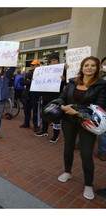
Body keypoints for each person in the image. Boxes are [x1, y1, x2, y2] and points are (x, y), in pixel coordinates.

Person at [53, 56, 106, 200]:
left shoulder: (101, 86)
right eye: (86, 65)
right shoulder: (71, 82)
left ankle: (88, 184)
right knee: (68, 148)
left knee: (86, 154)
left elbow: (99, 108)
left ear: (97, 68)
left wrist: (77, 112)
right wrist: (60, 105)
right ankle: (68, 171)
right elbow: (62, 97)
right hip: (68, 120)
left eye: (93, 65)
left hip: (87, 122)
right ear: (81, 67)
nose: (89, 67)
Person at [35, 53, 66, 143]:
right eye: (51, 61)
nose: (52, 62)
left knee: (55, 116)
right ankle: (44, 131)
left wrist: (63, 80)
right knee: (45, 114)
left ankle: (56, 135)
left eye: (54, 60)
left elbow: (68, 83)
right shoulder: (45, 70)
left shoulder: (63, 70)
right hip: (45, 96)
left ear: (58, 61)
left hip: (56, 98)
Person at [20, 59, 40, 133]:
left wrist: (29, 81)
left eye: (33, 65)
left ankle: (36, 126)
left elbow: (36, 82)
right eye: (31, 65)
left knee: (35, 111)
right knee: (26, 110)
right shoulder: (29, 73)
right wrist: (31, 81)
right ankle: (26, 123)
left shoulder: (41, 73)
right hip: (27, 94)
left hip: (35, 94)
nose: (31, 66)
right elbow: (23, 82)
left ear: (38, 65)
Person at [97, 56, 106, 161]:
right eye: (105, 63)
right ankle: (80, 143)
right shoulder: (97, 76)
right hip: (96, 105)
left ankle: (102, 151)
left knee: (104, 129)